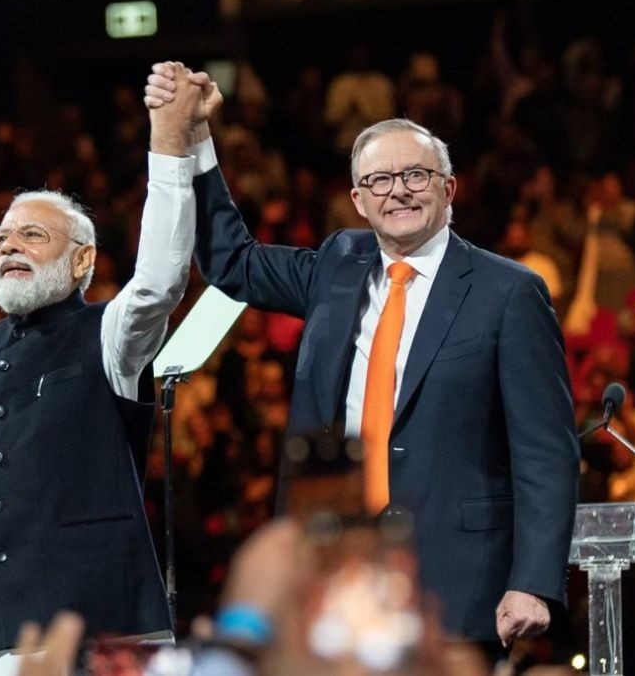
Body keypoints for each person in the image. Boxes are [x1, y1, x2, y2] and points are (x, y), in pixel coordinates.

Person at [144, 63, 581, 652]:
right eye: (378, 180)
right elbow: (231, 261)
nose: (397, 190)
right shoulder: (337, 265)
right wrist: (195, 135)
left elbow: (546, 451)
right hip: (332, 570)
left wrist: (532, 582)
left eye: (416, 175)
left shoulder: (509, 292)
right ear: (358, 199)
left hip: (455, 577)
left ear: (449, 189)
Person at [0, 70, 209, 674]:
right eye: (1, 238)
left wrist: (168, 144)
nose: (9, 247)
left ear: (82, 259)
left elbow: (160, 280)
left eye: (32, 235)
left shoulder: (109, 334)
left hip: (98, 635)